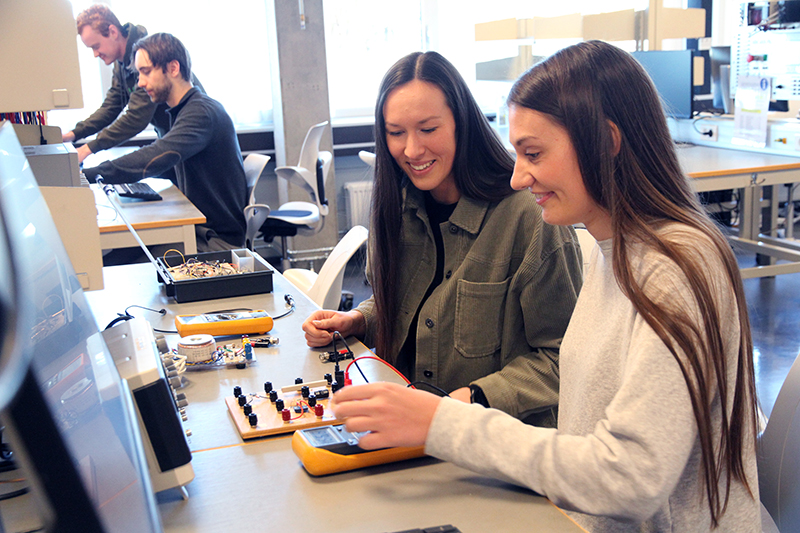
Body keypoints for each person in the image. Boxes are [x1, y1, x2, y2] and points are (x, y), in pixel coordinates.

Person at [330, 41, 760, 532]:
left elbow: (631, 478)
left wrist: (441, 422)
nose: (517, 176)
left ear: (607, 141)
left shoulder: (678, 267)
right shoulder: (612, 250)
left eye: (533, 153)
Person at [303, 51, 582, 425]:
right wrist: (358, 319)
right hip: (406, 434)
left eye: (428, 129)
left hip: (493, 449)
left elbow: (564, 358)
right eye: (396, 133)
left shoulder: (530, 217)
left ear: (461, 123)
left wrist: (468, 401)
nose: (412, 150)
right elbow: (416, 306)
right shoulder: (397, 205)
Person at [82, 33, 247, 252]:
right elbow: (166, 162)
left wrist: (86, 176)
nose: (140, 83)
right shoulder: (184, 111)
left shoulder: (201, 113)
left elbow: (158, 156)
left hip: (215, 242)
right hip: (198, 230)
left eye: (146, 72)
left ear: (173, 68)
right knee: (119, 252)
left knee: (114, 256)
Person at [63, 4, 203, 166]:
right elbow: (111, 107)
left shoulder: (144, 57)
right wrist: (73, 134)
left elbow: (136, 117)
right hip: (169, 137)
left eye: (96, 46)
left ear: (113, 32)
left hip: (187, 139)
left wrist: (89, 148)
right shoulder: (122, 63)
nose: (95, 54)